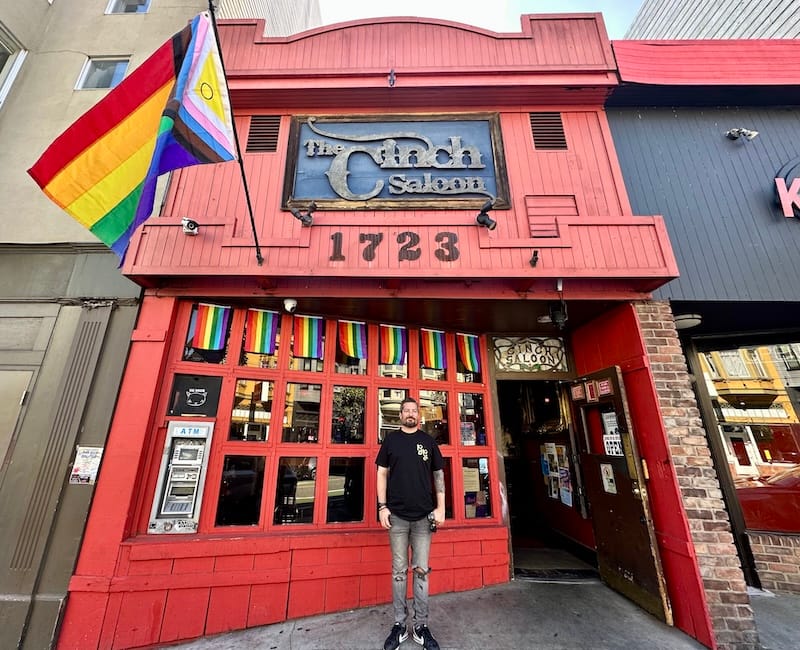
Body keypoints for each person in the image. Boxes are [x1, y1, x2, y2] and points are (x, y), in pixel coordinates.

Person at [376, 397, 445, 650]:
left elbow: (438, 474)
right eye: (406, 410)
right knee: (398, 572)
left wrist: (441, 507)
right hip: (397, 517)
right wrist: (382, 507)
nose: (410, 414)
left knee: (421, 571)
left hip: (423, 518)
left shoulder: (428, 442)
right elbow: (381, 473)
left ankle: (421, 626)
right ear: (401, 415)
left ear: (419, 414)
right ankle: (399, 625)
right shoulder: (391, 441)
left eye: (414, 411)